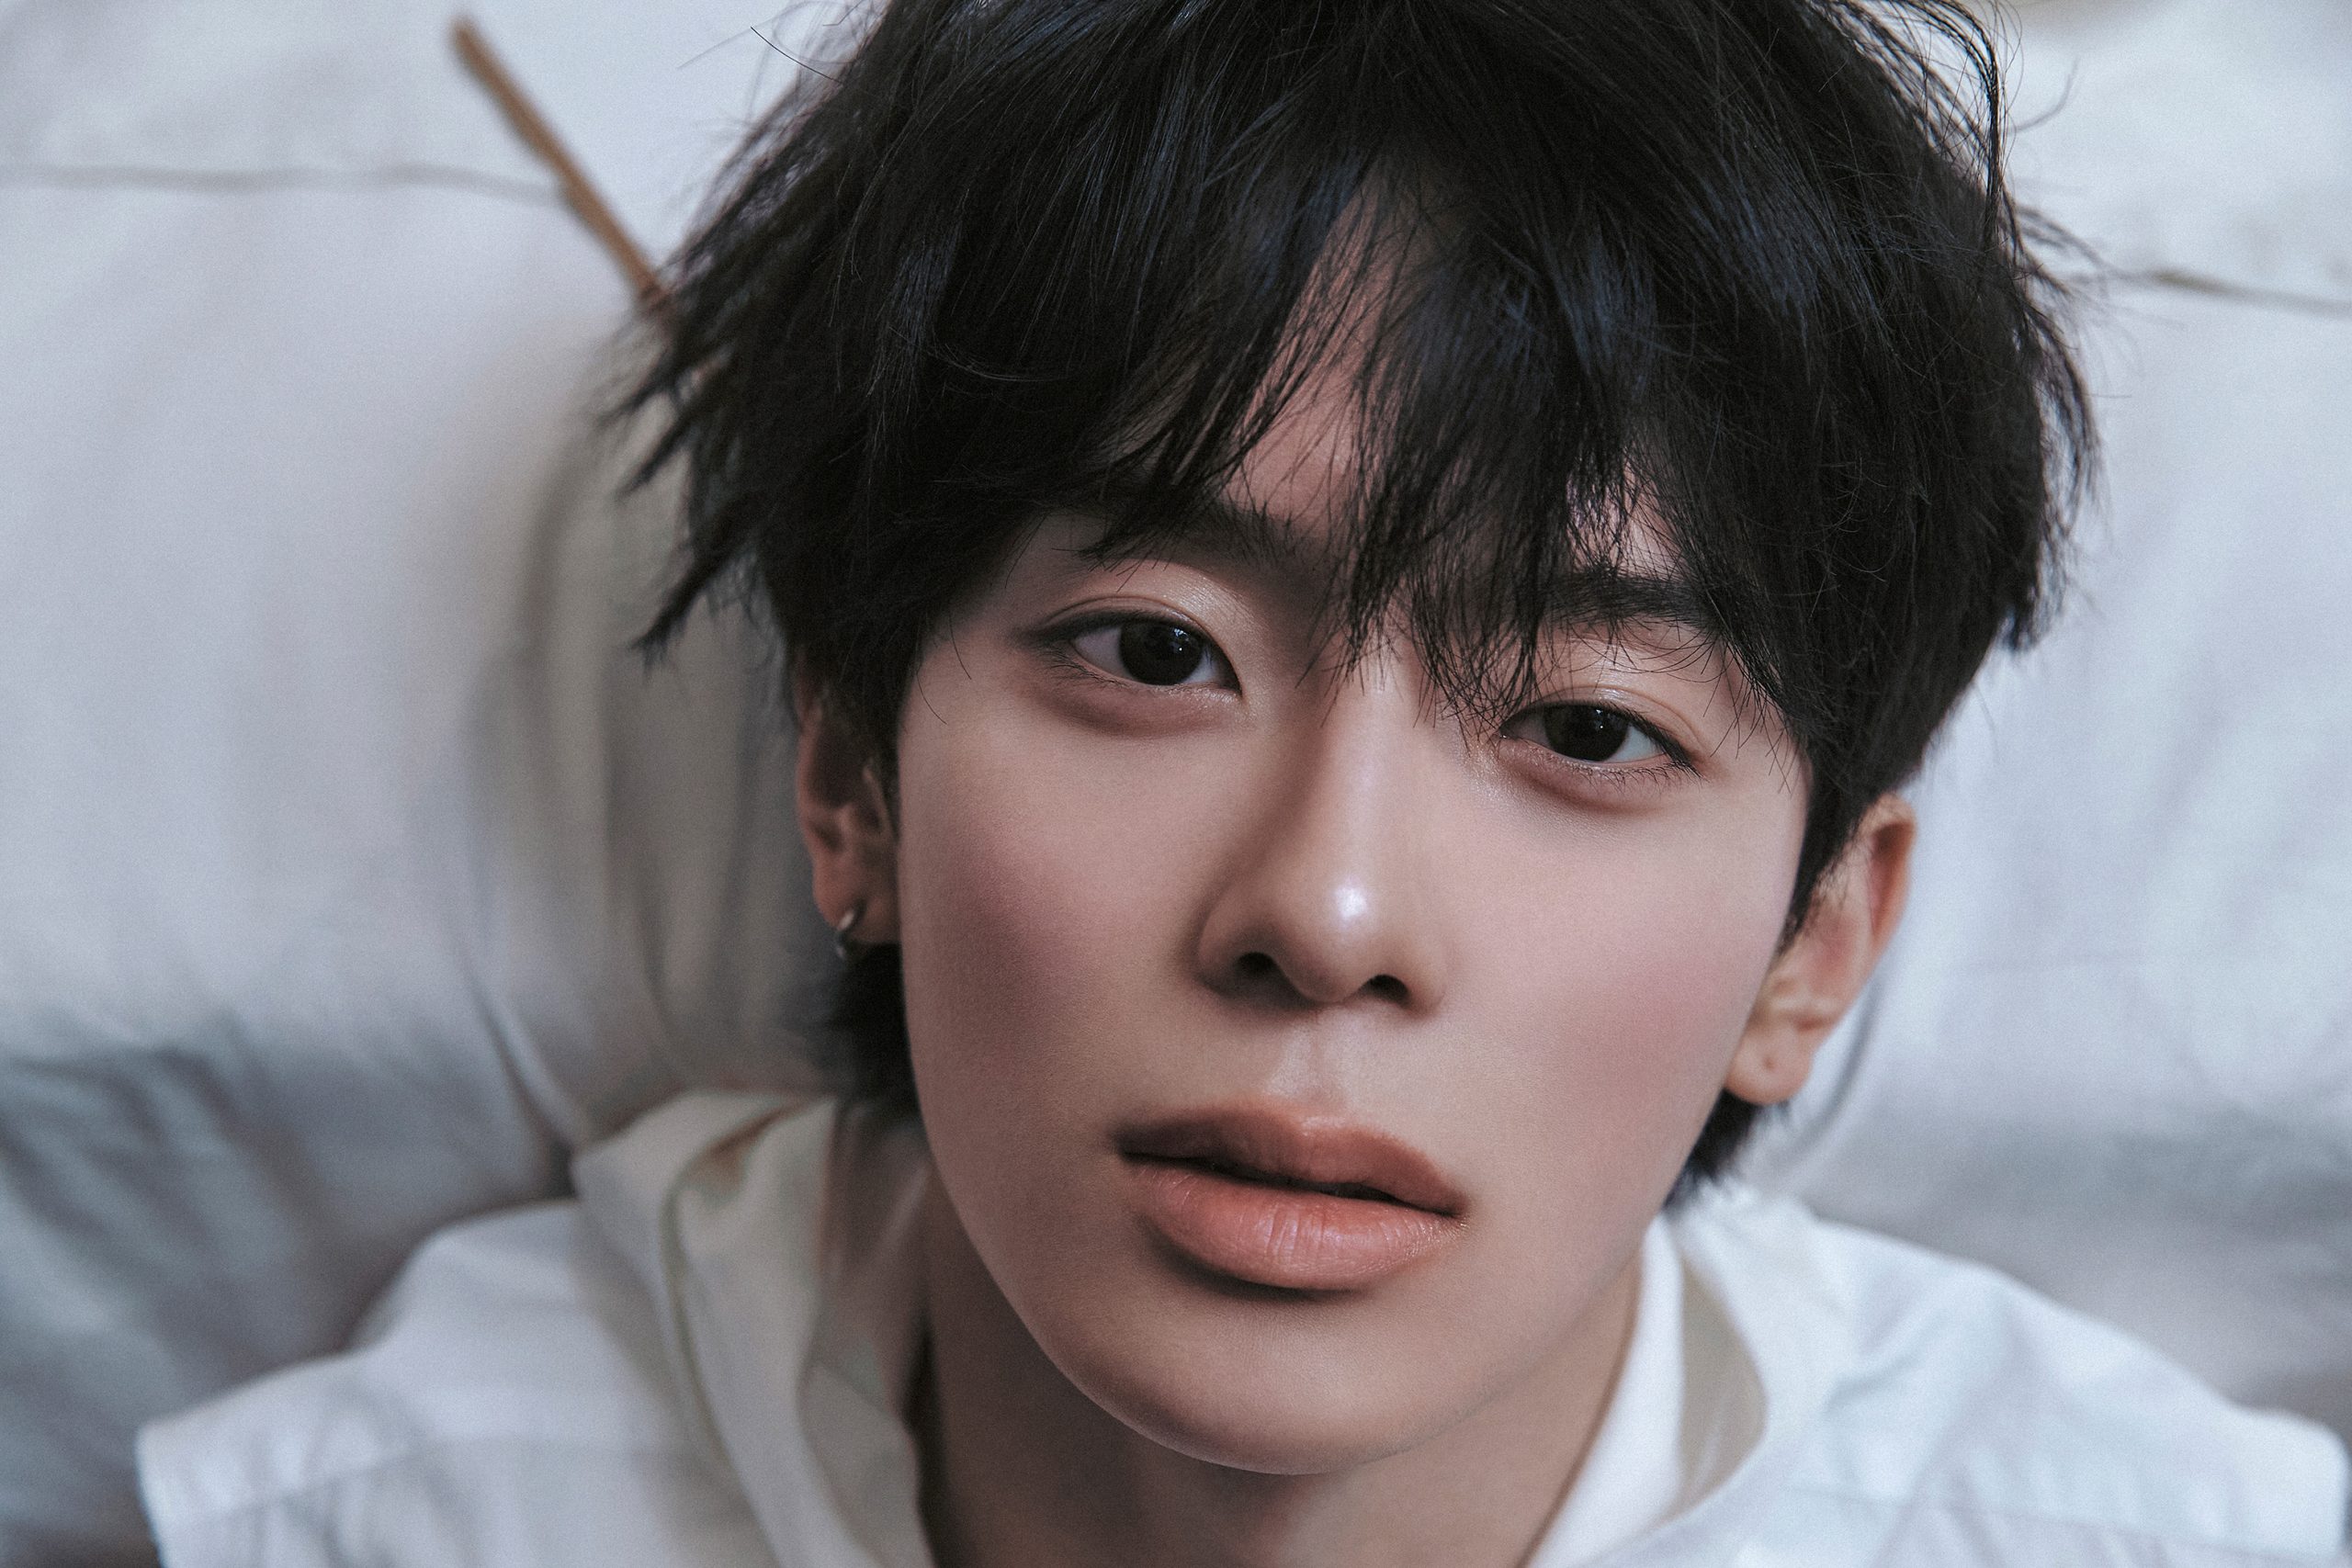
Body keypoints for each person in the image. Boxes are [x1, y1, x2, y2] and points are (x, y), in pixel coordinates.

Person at [135, 0, 2350, 1563]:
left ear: (1815, 944)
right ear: (846, 773)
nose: (1328, 908)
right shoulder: (405, 1516)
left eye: (1587, 725)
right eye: (1153, 650)